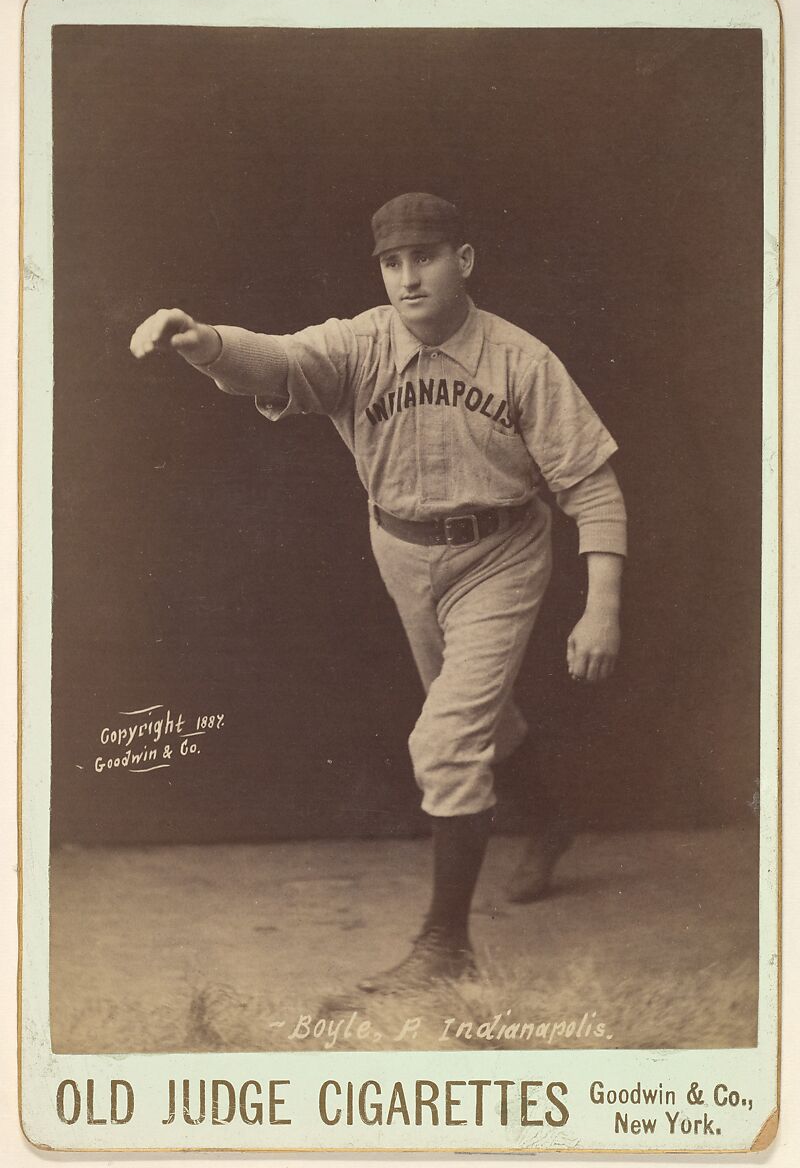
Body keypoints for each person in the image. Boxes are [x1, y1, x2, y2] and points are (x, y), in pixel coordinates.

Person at [130, 192, 627, 995]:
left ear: (463, 261)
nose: (408, 278)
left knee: (444, 738)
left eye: (425, 257)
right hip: (400, 550)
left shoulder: (521, 360)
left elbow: (592, 487)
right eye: (393, 263)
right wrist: (204, 343)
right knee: (473, 712)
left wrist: (601, 603)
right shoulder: (361, 343)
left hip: (499, 553)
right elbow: (281, 360)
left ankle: (445, 946)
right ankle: (550, 820)